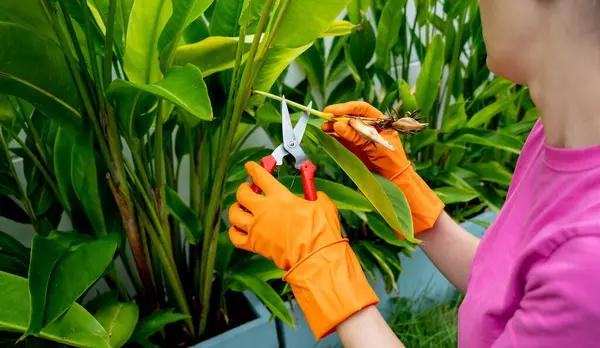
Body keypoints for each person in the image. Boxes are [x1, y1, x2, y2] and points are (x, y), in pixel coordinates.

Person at [228, 0, 600, 346]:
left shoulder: (588, 266)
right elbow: (508, 288)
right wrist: (408, 192)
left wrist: (323, 269)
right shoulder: (557, 140)